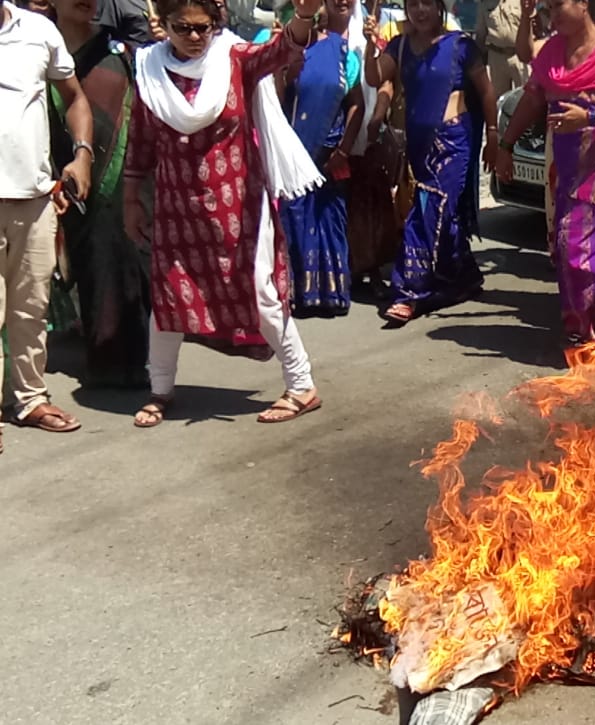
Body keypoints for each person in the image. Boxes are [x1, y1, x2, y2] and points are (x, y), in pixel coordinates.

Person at [124, 0, 326, 426]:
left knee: (263, 295)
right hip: (177, 209)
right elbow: (140, 144)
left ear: (216, 25)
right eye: (184, 28)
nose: (195, 37)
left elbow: (281, 50)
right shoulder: (150, 71)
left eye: (203, 27)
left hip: (240, 205)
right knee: (167, 300)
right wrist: (130, 202)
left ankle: (302, 385)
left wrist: (304, 16)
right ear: (165, 24)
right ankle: (160, 390)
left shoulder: (234, 60)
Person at [495, 0, 595, 345]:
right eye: (547, 7)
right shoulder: (551, 52)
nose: (552, 13)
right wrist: (505, 147)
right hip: (567, 171)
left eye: (557, 4)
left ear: (583, 3)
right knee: (563, 249)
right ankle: (587, 329)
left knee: (580, 249)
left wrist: (591, 118)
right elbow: (532, 100)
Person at [363, 0, 497, 323]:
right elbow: (374, 77)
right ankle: (462, 275)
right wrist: (370, 46)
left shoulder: (461, 46)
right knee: (442, 217)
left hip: (453, 143)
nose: (420, 10)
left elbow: (488, 93)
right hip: (419, 146)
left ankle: (409, 292)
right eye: (413, 4)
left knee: (427, 208)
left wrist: (494, 137)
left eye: (427, 3)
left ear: (440, 7)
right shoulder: (401, 46)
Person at [0, 0, 93, 451]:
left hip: (34, 200)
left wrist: (81, 154)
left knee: (31, 308)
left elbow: (75, 98)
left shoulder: (37, 31)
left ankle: (28, 398)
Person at [46, 0, 152, 388]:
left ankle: (139, 359)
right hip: (66, 178)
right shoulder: (38, 53)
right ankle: (104, 358)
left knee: (131, 259)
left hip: (128, 180)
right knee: (91, 262)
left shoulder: (123, 54)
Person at [278, 0, 363, 317]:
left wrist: (343, 149)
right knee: (296, 217)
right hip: (295, 153)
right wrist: (287, 74)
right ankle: (298, 294)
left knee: (329, 219)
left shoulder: (345, 54)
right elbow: (274, 99)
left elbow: (357, 105)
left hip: (330, 156)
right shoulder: (288, 49)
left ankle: (331, 295)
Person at [477, 0, 526, 94]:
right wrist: (476, 60)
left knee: (524, 95)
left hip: (520, 55)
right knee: (499, 98)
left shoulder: (522, 1)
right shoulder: (484, 4)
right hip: (496, 57)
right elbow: (481, 34)